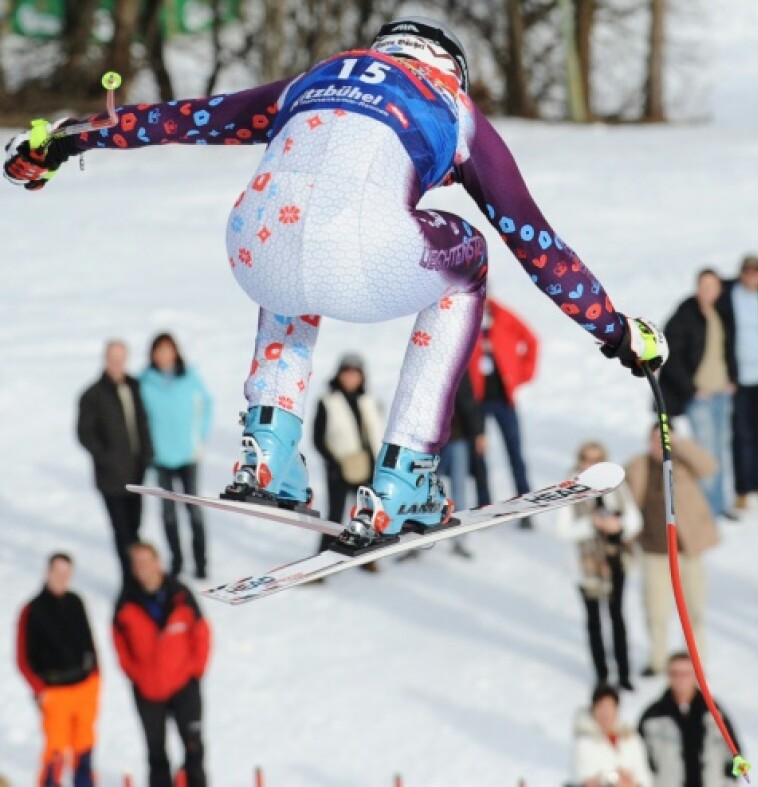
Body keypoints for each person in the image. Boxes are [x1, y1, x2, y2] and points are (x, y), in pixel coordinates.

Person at [6, 17, 667, 550]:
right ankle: (407, 471)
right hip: (361, 248)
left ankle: (268, 445)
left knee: (290, 226)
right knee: (469, 267)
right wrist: (616, 331)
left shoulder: (315, 79)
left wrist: (65, 142)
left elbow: (185, 117)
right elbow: (536, 241)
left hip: (249, 240)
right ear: (451, 68)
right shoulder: (453, 105)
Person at [113, 543, 211, 787]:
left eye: (146, 561)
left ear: (158, 562)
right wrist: (137, 675)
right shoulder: (126, 602)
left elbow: (201, 633)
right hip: (148, 690)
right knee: (156, 753)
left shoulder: (181, 595)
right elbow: (119, 644)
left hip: (184, 685)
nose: (143, 567)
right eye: (137, 563)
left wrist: (194, 671)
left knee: (193, 748)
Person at [626, 427, 719, 677]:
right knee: (656, 610)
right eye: (655, 440)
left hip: (687, 550)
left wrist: (679, 444)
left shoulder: (682, 463)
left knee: (694, 609)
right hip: (655, 550)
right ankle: (658, 659)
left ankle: (696, 659)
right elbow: (624, 499)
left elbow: (709, 466)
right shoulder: (638, 465)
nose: (659, 445)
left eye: (663, 439)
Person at [557, 440, 643, 690]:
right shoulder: (570, 487)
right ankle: (602, 674)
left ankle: (624, 673)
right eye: (586, 458)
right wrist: (591, 524)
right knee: (594, 621)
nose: (590, 464)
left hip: (615, 560)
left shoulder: (615, 484)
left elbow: (634, 519)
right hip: (586, 567)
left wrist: (618, 525)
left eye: (596, 459)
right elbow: (563, 529)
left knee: (617, 617)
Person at [17, 553, 100, 787]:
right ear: (48, 571)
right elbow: (22, 658)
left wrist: (96, 678)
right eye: (57, 571)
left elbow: (90, 643)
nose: (61, 577)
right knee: (55, 752)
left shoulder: (76, 601)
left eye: (66, 572)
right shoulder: (32, 610)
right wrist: (40, 689)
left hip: (84, 688)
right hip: (54, 692)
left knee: (84, 748)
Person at [660, 269, 736, 519]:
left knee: (721, 449)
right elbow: (671, 356)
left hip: (721, 392)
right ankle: (708, 510)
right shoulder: (685, 314)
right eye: (703, 286)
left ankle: (719, 504)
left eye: (712, 286)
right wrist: (692, 389)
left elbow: (727, 349)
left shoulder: (720, 313)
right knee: (706, 453)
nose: (707, 291)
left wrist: (731, 378)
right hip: (700, 396)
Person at [77, 339, 153, 586]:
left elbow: (142, 424)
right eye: (112, 358)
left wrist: (147, 456)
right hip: (111, 478)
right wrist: (106, 457)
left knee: (135, 528)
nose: (116, 363)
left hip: (136, 473)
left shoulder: (134, 386)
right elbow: (84, 433)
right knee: (123, 534)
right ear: (105, 359)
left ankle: (139, 577)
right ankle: (130, 584)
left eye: (121, 358)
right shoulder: (93, 394)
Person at [139, 333, 213, 580]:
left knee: (194, 511)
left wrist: (199, 438)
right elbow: (140, 421)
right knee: (168, 513)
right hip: (161, 459)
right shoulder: (145, 382)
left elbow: (207, 405)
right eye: (158, 351)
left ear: (176, 352)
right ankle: (177, 561)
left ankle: (201, 563)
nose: (163, 356)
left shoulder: (189, 378)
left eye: (168, 350)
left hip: (188, 455)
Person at [468, 295, 541, 529]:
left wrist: (521, 374)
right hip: (476, 399)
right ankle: (484, 506)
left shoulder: (502, 315)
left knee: (515, 453)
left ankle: (524, 505)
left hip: (503, 398)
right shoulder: (465, 318)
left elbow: (531, 341)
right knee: (478, 456)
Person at [716, 254, 758, 510]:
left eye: (756, 272)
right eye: (748, 271)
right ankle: (742, 487)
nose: (752, 276)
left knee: (756, 432)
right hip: (738, 378)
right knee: (741, 433)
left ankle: (756, 481)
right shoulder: (728, 294)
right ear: (741, 272)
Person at [312, 353, 384, 568]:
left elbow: (377, 431)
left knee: (366, 516)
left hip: (368, 466)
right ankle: (323, 562)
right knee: (334, 517)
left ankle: (365, 557)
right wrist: (333, 463)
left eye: (355, 373)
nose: (351, 378)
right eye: (347, 373)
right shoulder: (327, 401)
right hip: (340, 467)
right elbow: (317, 438)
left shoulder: (369, 399)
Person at [639, 652, 741, 787]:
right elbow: (638, 760)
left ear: (695, 675)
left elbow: (735, 754)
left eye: (685, 673)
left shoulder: (714, 712)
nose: (680, 679)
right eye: (675, 673)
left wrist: (729, 781)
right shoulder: (652, 716)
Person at [437, 369, 484, 558]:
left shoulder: (460, 370)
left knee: (459, 492)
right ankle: (416, 541)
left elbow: (469, 403)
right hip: (433, 444)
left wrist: (477, 432)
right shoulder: (426, 370)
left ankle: (459, 538)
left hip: (457, 439)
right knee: (425, 493)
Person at [572, 684, 653, 787]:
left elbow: (644, 774)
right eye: (601, 706)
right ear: (593, 709)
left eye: (610, 706)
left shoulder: (631, 739)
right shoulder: (584, 741)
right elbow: (585, 777)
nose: (605, 713)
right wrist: (614, 779)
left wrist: (634, 783)